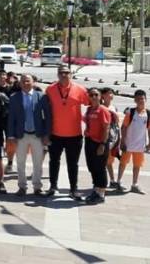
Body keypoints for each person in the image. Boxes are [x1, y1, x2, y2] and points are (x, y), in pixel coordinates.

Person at [45, 65, 89, 200]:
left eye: (66, 73)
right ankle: (53, 186)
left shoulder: (80, 89)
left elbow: (90, 106)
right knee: (54, 161)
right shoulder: (50, 89)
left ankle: (73, 189)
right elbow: (46, 111)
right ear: (57, 74)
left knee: (73, 163)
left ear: (71, 74)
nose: (64, 75)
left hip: (74, 135)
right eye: (61, 73)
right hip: (55, 133)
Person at [6, 74, 51, 196]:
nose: (25, 83)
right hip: (21, 135)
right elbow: (11, 118)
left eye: (28, 81)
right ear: (20, 83)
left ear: (33, 82)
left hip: (37, 135)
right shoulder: (14, 97)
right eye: (23, 81)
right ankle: (22, 187)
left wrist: (47, 134)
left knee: (38, 163)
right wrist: (11, 136)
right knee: (20, 162)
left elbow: (47, 116)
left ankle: (37, 187)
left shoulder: (41, 96)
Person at [117, 90, 150, 194]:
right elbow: (124, 127)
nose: (141, 101)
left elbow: (149, 129)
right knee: (123, 163)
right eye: (138, 99)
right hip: (128, 144)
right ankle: (118, 182)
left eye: (143, 99)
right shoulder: (130, 112)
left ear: (146, 99)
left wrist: (149, 143)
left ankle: (134, 184)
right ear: (135, 100)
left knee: (137, 165)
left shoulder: (148, 114)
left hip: (140, 146)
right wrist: (122, 141)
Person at [82, 88, 111, 204]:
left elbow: (106, 128)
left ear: (100, 97)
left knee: (100, 168)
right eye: (91, 95)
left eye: (96, 95)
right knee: (92, 167)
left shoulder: (103, 110)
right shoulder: (89, 110)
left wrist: (102, 144)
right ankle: (96, 189)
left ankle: (101, 193)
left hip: (100, 143)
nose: (93, 97)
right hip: (89, 141)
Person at [100, 87, 122, 189]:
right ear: (103, 95)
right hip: (105, 136)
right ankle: (99, 181)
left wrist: (120, 137)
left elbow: (117, 123)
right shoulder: (100, 107)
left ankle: (112, 180)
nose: (111, 95)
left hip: (114, 136)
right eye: (109, 93)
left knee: (109, 160)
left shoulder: (114, 107)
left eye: (112, 93)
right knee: (103, 160)